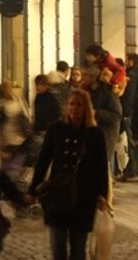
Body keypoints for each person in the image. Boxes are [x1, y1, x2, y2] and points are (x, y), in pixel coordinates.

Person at [29, 89, 109, 260]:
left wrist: (103, 194)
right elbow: (43, 161)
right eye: (72, 104)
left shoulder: (95, 134)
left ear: (86, 108)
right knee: (58, 246)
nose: (75, 108)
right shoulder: (56, 130)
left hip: (84, 195)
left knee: (78, 247)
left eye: (79, 105)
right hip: (58, 194)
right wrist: (33, 189)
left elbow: (101, 166)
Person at [84, 65, 122, 167]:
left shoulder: (108, 93)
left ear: (93, 78)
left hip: (106, 135)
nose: (83, 78)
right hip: (93, 134)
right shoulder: (89, 92)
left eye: (86, 75)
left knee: (103, 167)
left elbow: (116, 115)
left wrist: (95, 112)